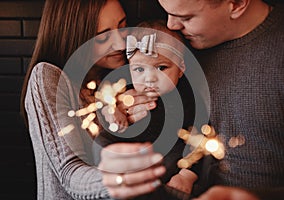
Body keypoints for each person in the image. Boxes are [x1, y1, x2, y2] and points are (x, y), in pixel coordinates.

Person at [98, 0, 284, 199]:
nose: (171, 26)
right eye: (166, 12)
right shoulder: (171, 42)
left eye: (186, 17)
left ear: (237, 4)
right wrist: (115, 113)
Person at [20, 0, 157, 199]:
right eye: (103, 36)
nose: (121, 44)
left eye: (122, 26)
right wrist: (117, 179)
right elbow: (70, 174)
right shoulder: (48, 77)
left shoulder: (118, 79)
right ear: (74, 36)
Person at [95, 20, 198, 199]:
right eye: (139, 69)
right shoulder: (125, 88)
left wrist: (186, 176)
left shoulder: (187, 99)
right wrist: (114, 111)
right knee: (101, 141)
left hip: (169, 167)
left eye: (161, 67)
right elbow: (105, 98)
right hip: (128, 159)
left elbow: (199, 139)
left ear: (181, 68)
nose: (149, 78)